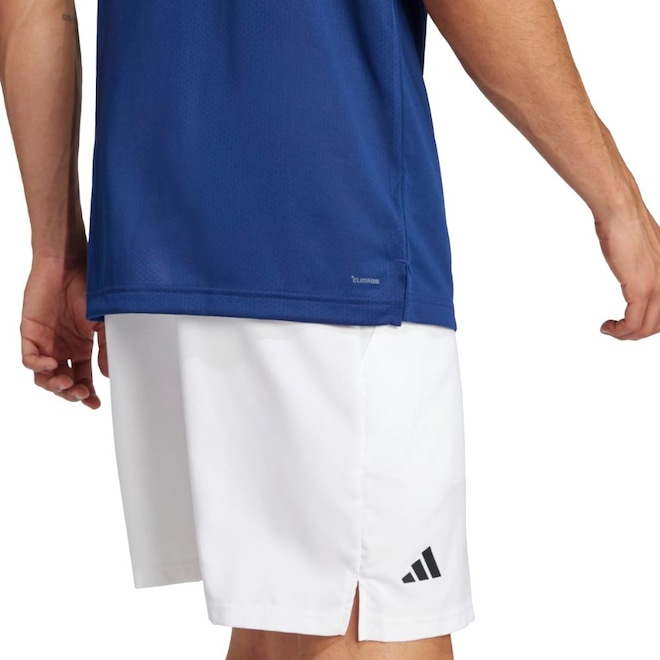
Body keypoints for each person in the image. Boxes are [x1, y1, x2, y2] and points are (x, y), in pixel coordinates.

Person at [1, 2, 658, 660]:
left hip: (153, 234)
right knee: (367, 632)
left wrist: (57, 250)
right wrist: (617, 199)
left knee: (282, 632)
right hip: (326, 231)